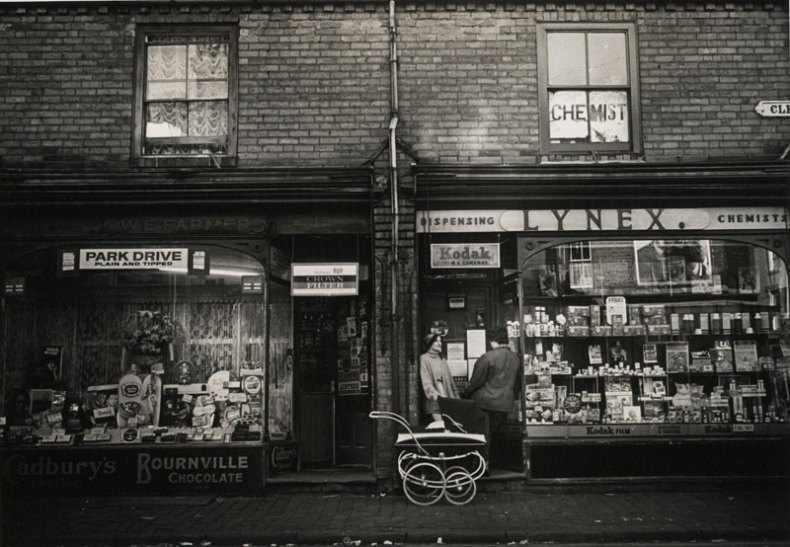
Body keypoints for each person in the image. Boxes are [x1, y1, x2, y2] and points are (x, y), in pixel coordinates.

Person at [464, 326, 521, 443]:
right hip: (505, 404)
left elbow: (476, 381)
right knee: (499, 437)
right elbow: (517, 383)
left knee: (484, 437)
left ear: (492, 341)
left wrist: (466, 393)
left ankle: (484, 460)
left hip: (486, 404)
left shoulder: (487, 357)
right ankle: (495, 460)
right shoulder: (516, 358)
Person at [419, 333, 459, 424]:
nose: (439, 343)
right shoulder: (424, 359)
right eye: (436, 341)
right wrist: (435, 395)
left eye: (440, 341)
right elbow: (426, 382)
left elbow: (451, 381)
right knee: (443, 426)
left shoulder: (442, 359)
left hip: (448, 401)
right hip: (435, 402)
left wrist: (457, 398)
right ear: (429, 343)